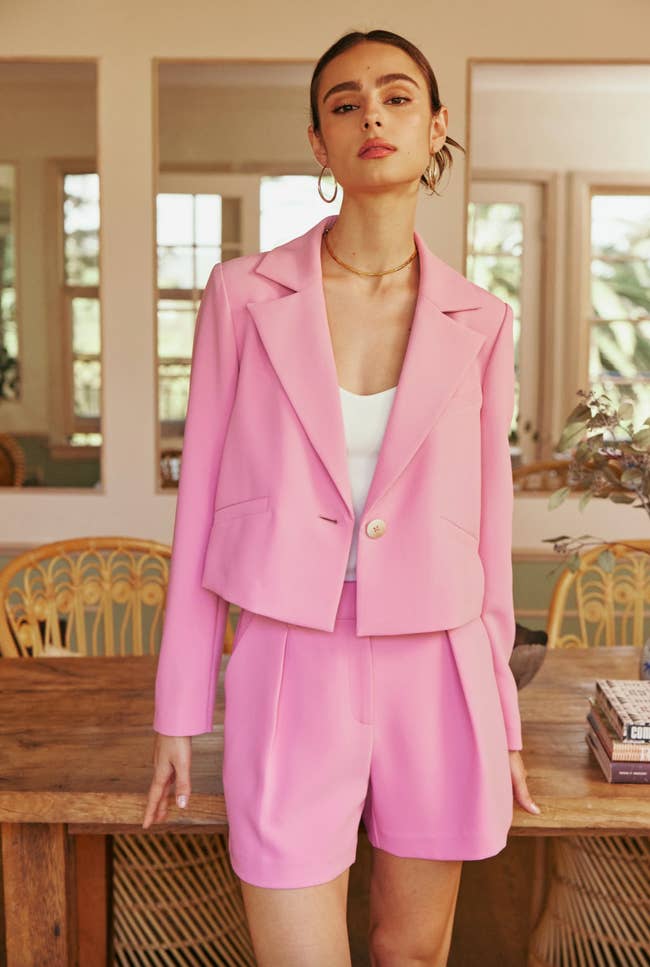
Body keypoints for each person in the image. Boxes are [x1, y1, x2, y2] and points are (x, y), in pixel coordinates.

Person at [143, 28, 541, 967]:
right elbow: (199, 506)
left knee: (412, 954)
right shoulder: (242, 297)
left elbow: (489, 530)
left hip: (439, 669)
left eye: (399, 97)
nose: (373, 114)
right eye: (345, 101)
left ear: (436, 127)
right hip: (289, 658)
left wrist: (503, 722)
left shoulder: (481, 321)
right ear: (319, 143)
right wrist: (177, 712)